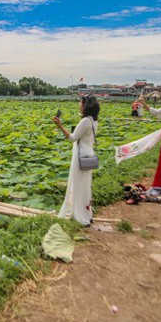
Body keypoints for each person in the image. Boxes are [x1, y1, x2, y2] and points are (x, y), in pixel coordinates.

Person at [52, 95, 100, 226]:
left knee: (78, 185)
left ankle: (79, 215)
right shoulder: (94, 121)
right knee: (84, 186)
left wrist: (60, 126)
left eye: (81, 102)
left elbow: (73, 138)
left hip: (81, 156)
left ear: (86, 105)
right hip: (89, 154)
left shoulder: (85, 121)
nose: (79, 104)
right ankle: (86, 214)